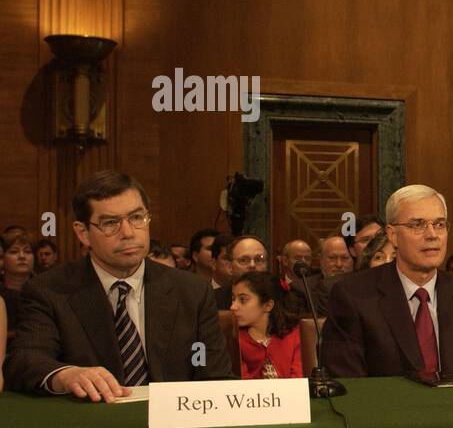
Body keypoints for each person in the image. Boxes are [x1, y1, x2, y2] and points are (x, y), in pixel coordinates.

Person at [2, 170, 233, 398]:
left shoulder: (191, 291)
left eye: (136, 218)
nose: (128, 233)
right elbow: (25, 361)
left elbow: (214, 376)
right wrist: (66, 375)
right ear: (83, 233)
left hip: (172, 425)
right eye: (110, 223)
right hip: (91, 425)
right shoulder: (49, 290)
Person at [321, 184, 453, 379]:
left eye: (439, 224)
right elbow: (348, 384)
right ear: (392, 235)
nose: (432, 235)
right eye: (417, 225)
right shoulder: (353, 296)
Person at [231, 271, 302, 379]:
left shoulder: (294, 336)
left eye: (242, 300)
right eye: (233, 299)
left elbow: (299, 378)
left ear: (268, 305)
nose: (233, 307)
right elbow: (243, 384)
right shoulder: (234, 339)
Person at [2, 233, 35, 329]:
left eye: (28, 252)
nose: (22, 256)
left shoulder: (46, 290)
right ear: (2, 258)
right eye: (14, 252)